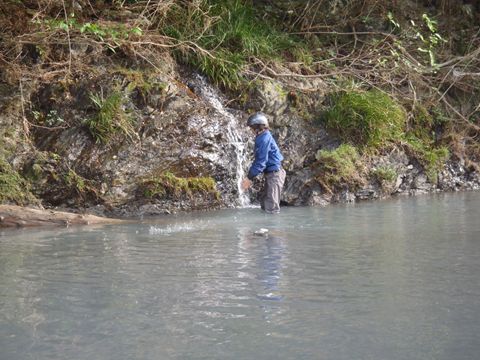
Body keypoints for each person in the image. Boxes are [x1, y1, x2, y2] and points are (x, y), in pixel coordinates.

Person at [241, 112, 286, 214]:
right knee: (265, 203)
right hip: (272, 174)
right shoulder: (263, 136)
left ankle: (272, 229)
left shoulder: (264, 139)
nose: (251, 130)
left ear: (257, 127)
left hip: (275, 175)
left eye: (252, 127)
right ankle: (265, 229)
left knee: (271, 208)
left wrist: (249, 178)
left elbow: (261, 162)